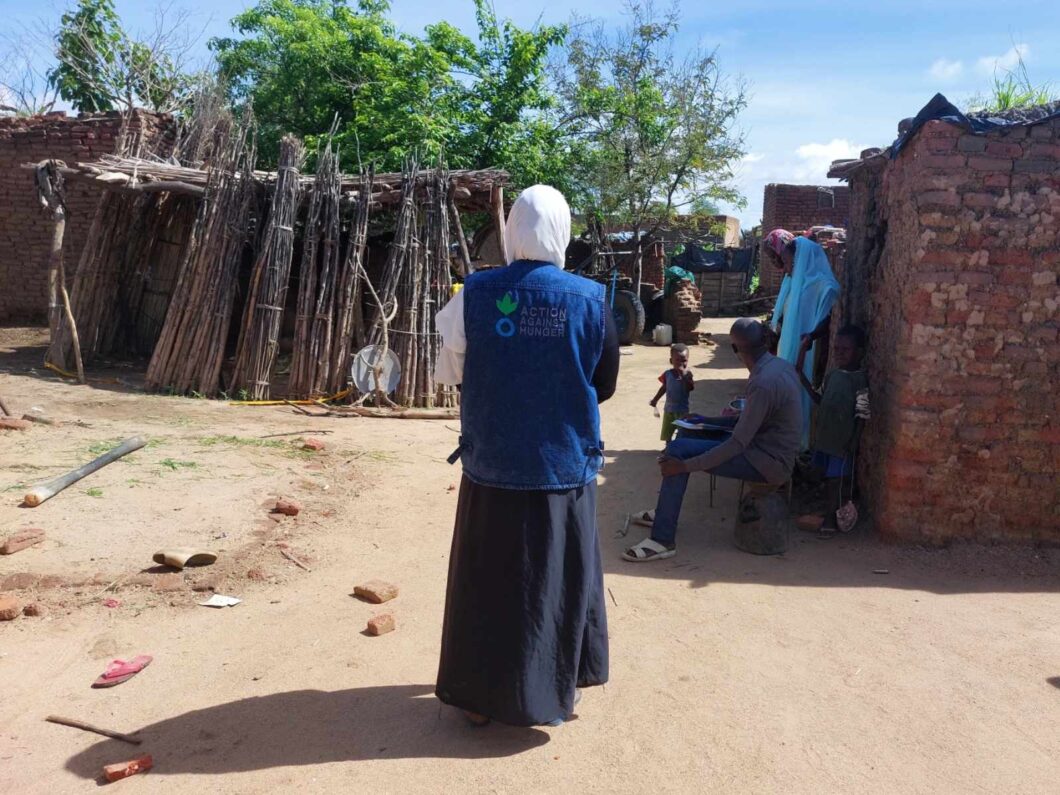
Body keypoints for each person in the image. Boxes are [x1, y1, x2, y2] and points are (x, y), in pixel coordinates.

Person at [433, 184, 620, 727]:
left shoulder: (474, 293)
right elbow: (602, 384)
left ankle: (477, 699)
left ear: (511, 230)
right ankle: (559, 686)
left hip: (492, 465)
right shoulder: (590, 299)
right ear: (562, 232)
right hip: (562, 469)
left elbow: (456, 374)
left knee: (487, 580)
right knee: (558, 580)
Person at [623, 318, 801, 562]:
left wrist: (685, 466)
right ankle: (666, 511)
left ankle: (662, 539)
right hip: (764, 447)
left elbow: (737, 443)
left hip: (767, 462)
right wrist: (707, 420)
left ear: (735, 349)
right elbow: (749, 422)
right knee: (687, 431)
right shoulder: (778, 366)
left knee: (678, 451)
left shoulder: (762, 382)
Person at [761, 229, 840, 447]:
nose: (785, 269)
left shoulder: (821, 285)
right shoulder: (795, 282)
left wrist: (810, 338)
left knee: (798, 396)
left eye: (786, 261)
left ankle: (795, 446)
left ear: (801, 256)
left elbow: (830, 300)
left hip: (807, 350)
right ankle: (787, 442)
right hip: (790, 347)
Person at [796, 324, 870, 535]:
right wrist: (802, 359)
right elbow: (819, 397)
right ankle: (830, 512)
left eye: (845, 350)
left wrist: (853, 442)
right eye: (836, 349)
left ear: (859, 352)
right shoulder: (832, 376)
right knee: (826, 477)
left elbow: (862, 415)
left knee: (837, 481)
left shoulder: (859, 381)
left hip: (843, 442)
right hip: (826, 438)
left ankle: (831, 519)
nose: (839, 353)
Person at [650, 343, 694, 442]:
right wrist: (655, 399)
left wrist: (684, 377)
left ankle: (679, 446)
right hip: (669, 409)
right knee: (667, 430)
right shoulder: (667, 374)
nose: (680, 363)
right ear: (671, 361)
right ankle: (668, 446)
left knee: (682, 430)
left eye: (684, 360)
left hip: (682, 409)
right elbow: (664, 388)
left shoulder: (688, 374)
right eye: (677, 360)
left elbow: (690, 388)